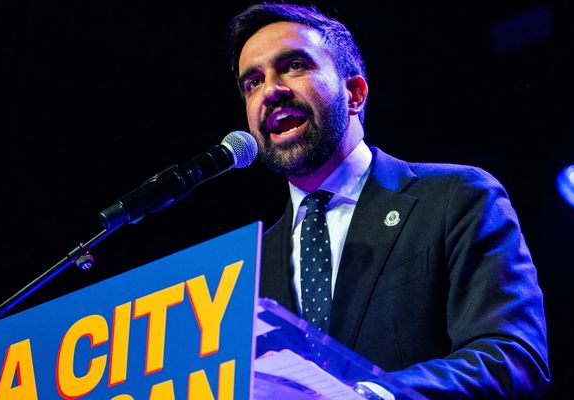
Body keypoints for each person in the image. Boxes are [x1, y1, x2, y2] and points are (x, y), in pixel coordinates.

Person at [228, 3, 550, 398]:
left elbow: (511, 357)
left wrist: (374, 395)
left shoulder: (455, 198)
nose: (272, 91)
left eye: (293, 66)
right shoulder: (248, 269)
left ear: (354, 93)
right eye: (253, 82)